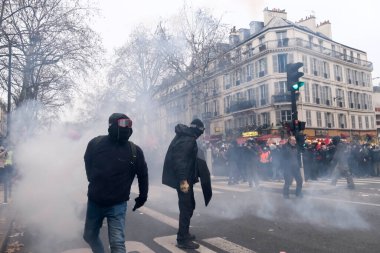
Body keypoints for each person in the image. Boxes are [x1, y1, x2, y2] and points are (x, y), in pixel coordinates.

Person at [83, 113, 149, 253]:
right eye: (123, 124)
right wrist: (93, 180)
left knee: (117, 243)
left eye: (129, 124)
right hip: (95, 202)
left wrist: (143, 196)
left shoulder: (135, 150)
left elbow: (143, 174)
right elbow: (87, 161)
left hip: (117, 205)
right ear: (111, 125)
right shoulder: (95, 144)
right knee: (89, 236)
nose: (126, 128)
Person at [162, 118, 205, 250]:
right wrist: (183, 181)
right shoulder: (188, 139)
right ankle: (182, 239)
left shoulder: (185, 136)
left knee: (189, 205)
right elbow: (180, 161)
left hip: (185, 179)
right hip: (184, 180)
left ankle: (184, 233)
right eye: (201, 131)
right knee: (186, 207)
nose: (201, 134)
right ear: (198, 129)